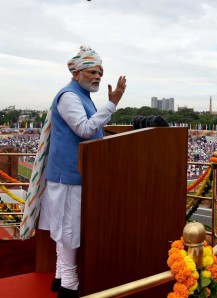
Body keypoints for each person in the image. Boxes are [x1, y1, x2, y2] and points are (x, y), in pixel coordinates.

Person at [38, 45, 126, 298]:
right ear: (76, 74)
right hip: (68, 175)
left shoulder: (83, 97)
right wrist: (111, 104)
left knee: (66, 227)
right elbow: (85, 130)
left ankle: (60, 274)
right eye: (92, 72)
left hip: (74, 175)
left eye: (100, 71)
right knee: (67, 229)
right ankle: (69, 283)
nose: (98, 76)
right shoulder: (69, 96)